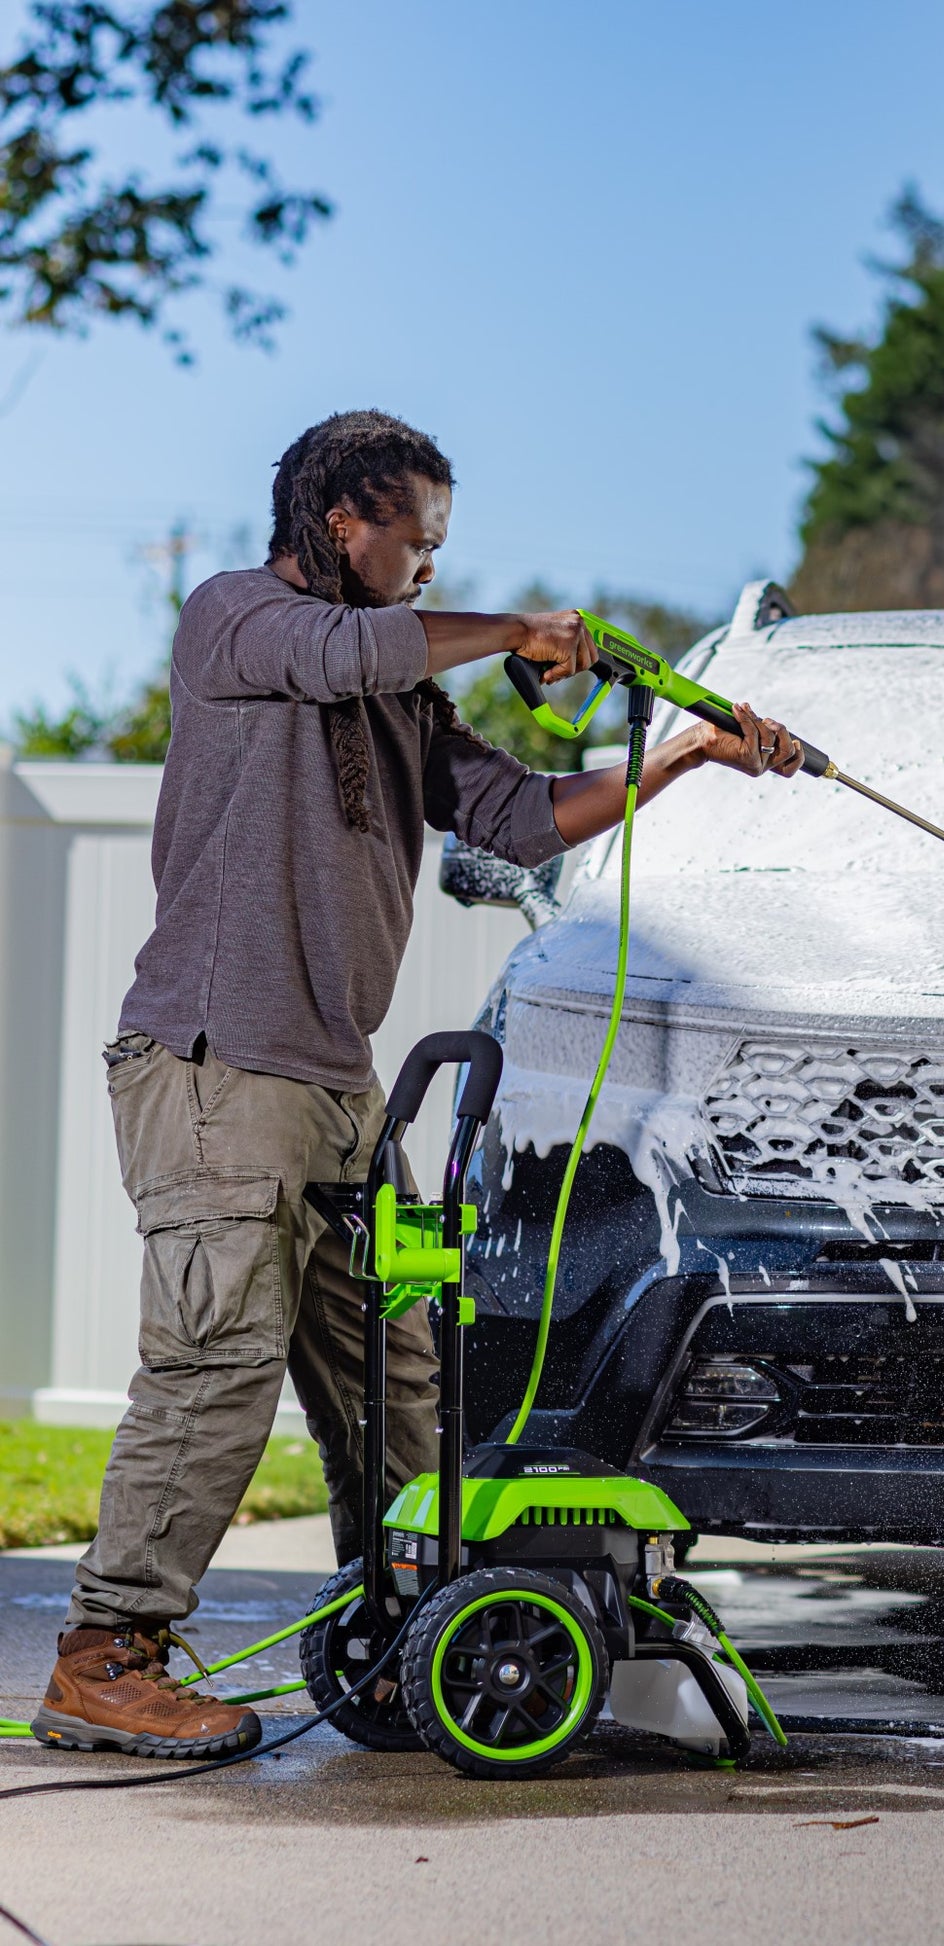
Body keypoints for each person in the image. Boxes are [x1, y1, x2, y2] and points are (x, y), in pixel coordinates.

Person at [32, 410, 803, 1758]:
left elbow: (511, 812)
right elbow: (346, 649)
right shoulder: (237, 621)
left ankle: (403, 1634)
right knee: (216, 1363)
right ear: (345, 522)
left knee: (400, 1386)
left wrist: (681, 761)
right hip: (219, 1067)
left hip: (335, 1086)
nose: (427, 569)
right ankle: (108, 1655)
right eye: (416, 542)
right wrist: (516, 629)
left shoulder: (394, 684)